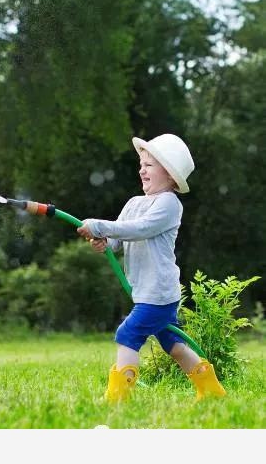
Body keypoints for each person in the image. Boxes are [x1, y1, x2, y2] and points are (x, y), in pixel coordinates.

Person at [77, 134, 226, 402]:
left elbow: (141, 229)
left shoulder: (169, 204)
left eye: (149, 165)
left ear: (169, 174)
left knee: (128, 333)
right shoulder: (134, 204)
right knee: (175, 346)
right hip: (146, 291)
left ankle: (117, 399)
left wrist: (100, 225)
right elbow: (119, 240)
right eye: (141, 164)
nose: (141, 169)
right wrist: (105, 243)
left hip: (158, 293)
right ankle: (212, 392)